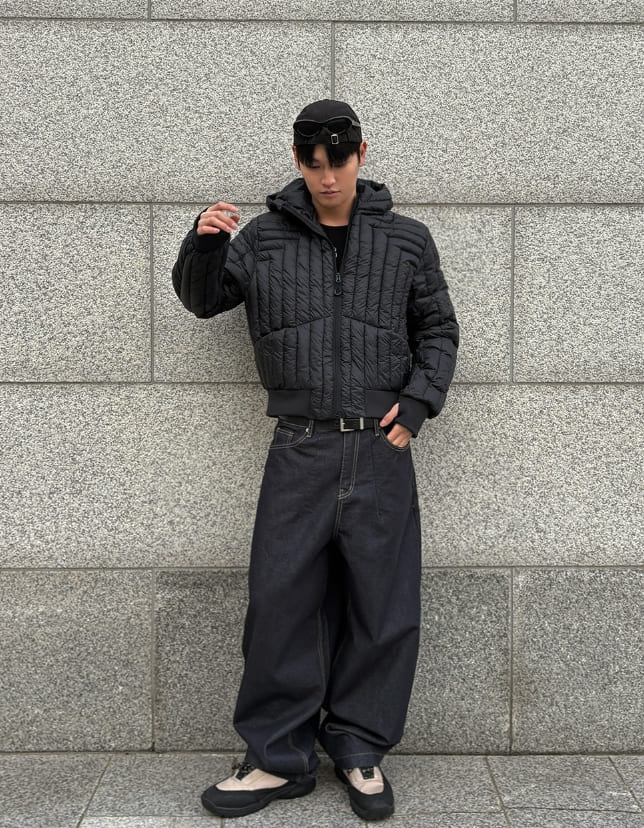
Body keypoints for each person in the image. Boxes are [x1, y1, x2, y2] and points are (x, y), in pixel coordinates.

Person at [172, 99, 459, 821]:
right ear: (298, 160)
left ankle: (360, 748)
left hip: (380, 447)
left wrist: (416, 407)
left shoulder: (406, 240)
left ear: (363, 154)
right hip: (300, 446)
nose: (327, 177)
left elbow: (439, 330)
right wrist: (203, 245)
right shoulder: (263, 239)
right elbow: (204, 302)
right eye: (314, 163)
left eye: (339, 161)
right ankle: (278, 758)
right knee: (281, 604)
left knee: (382, 606)